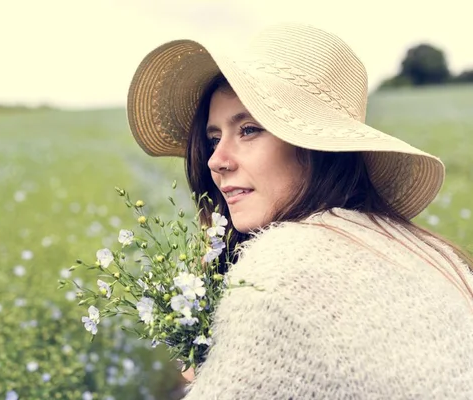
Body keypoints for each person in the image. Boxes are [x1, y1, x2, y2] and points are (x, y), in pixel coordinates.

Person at [126, 22, 473, 399]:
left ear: (315, 148)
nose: (216, 161)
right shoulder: (427, 252)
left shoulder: (278, 268)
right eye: (213, 139)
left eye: (249, 130)